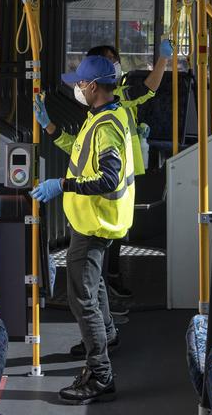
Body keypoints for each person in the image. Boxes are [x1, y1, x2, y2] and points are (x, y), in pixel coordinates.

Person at [31, 55, 135, 405]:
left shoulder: (105, 127)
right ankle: (106, 333)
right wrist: (50, 129)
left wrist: (62, 184)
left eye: (80, 82)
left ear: (93, 86)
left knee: (81, 296)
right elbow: (81, 153)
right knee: (95, 282)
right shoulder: (108, 115)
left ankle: (100, 373)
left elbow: (107, 178)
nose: (77, 87)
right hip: (92, 220)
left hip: (95, 221)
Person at [86, 39, 174, 301]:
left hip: (123, 172)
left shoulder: (113, 93)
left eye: (115, 59)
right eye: (107, 59)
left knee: (118, 230)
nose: (114, 63)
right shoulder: (110, 96)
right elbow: (149, 88)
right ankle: (107, 283)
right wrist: (163, 60)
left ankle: (109, 280)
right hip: (110, 173)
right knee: (111, 232)